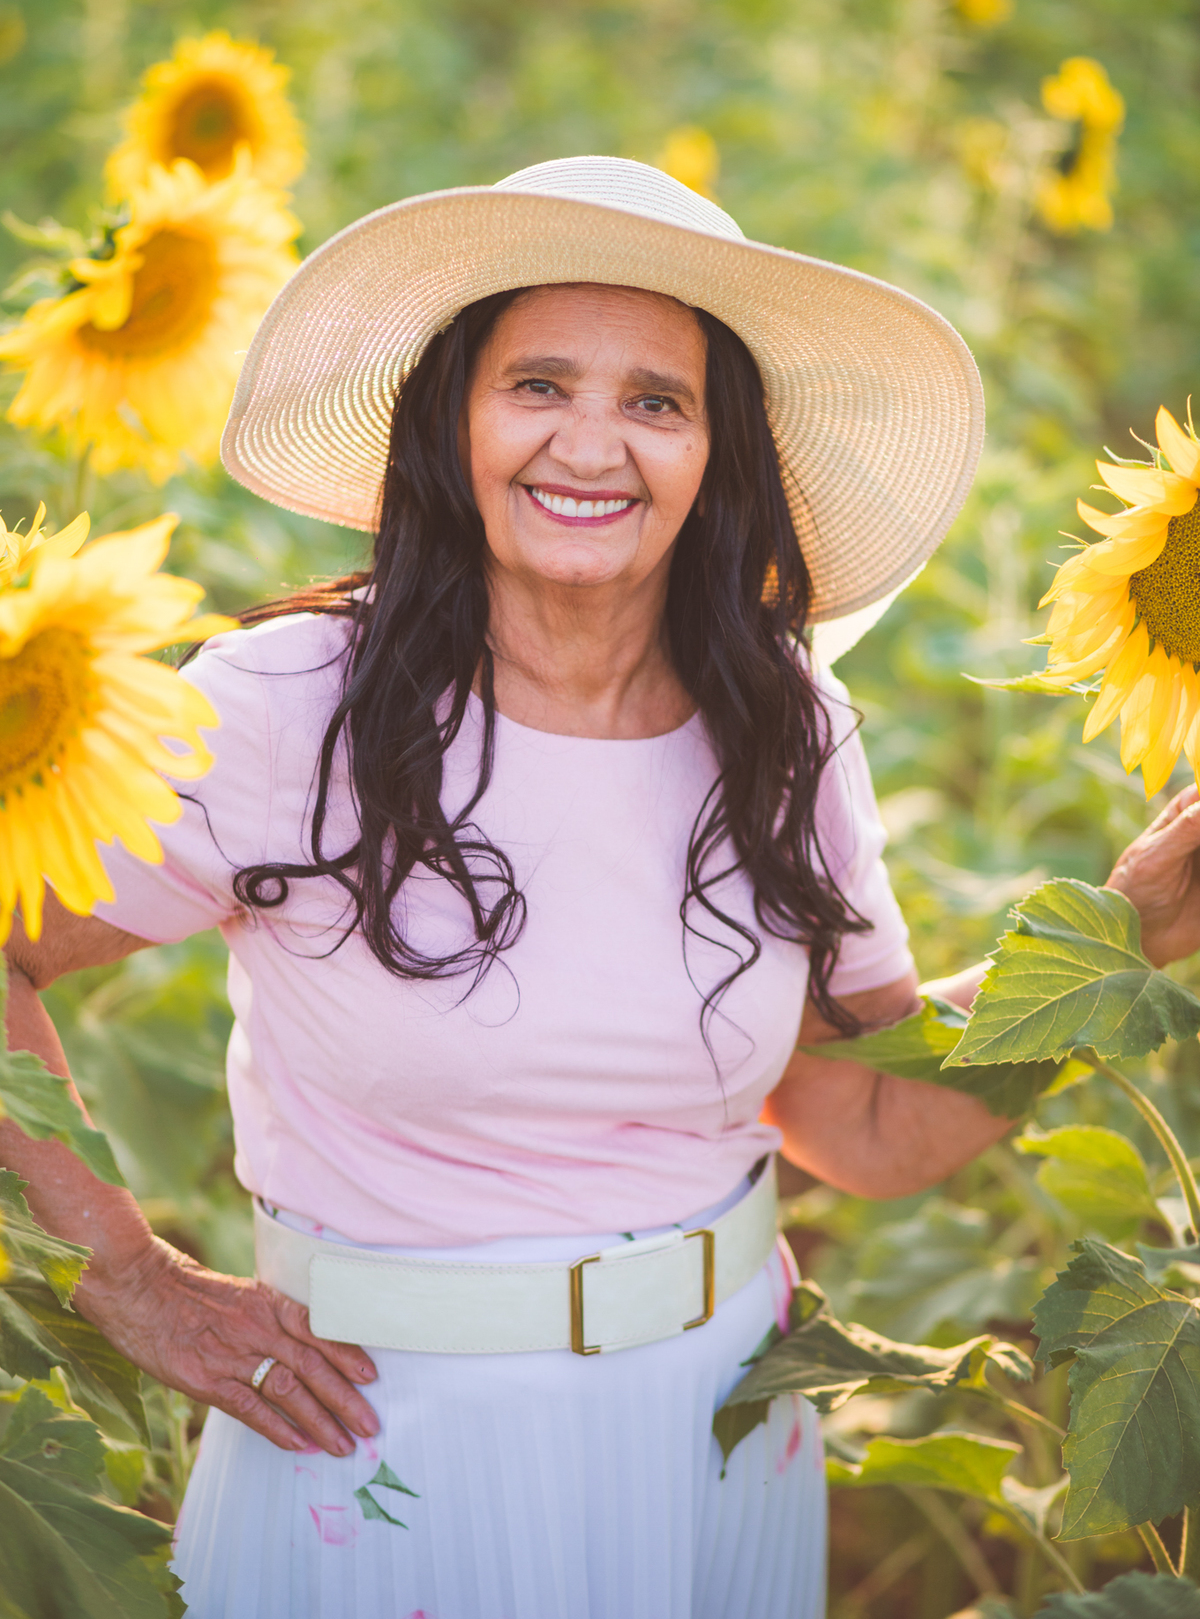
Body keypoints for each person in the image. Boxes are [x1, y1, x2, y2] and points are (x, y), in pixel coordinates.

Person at [4, 156, 1200, 1619]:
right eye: (539, 384)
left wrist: (1124, 933)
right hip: (383, 1434)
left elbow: (871, 1122)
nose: (591, 444)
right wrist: (126, 1276)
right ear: (454, 419)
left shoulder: (781, 728)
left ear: (718, 459)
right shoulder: (290, 705)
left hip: (714, 1434)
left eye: (657, 401)